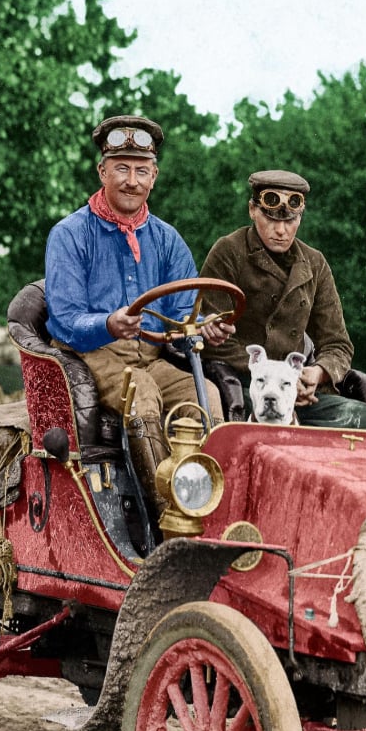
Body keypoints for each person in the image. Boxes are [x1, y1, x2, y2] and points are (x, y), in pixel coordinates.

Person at [44, 114, 233, 505]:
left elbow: (184, 316)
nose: (132, 180)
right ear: (102, 172)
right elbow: (65, 321)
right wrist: (109, 324)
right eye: (122, 169)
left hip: (150, 355)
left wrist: (201, 328)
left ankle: (207, 504)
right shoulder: (69, 235)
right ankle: (167, 512)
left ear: (154, 177)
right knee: (141, 389)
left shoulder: (167, 240)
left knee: (206, 394)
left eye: (141, 171)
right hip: (92, 357)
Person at [200, 169, 366, 429]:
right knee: (230, 426)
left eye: (290, 221)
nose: (281, 231)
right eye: (271, 219)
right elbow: (212, 340)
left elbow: (338, 344)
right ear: (252, 210)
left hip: (297, 391)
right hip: (244, 386)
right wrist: (274, 375)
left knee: (365, 418)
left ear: (300, 217)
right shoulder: (228, 252)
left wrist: (316, 373)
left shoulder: (314, 263)